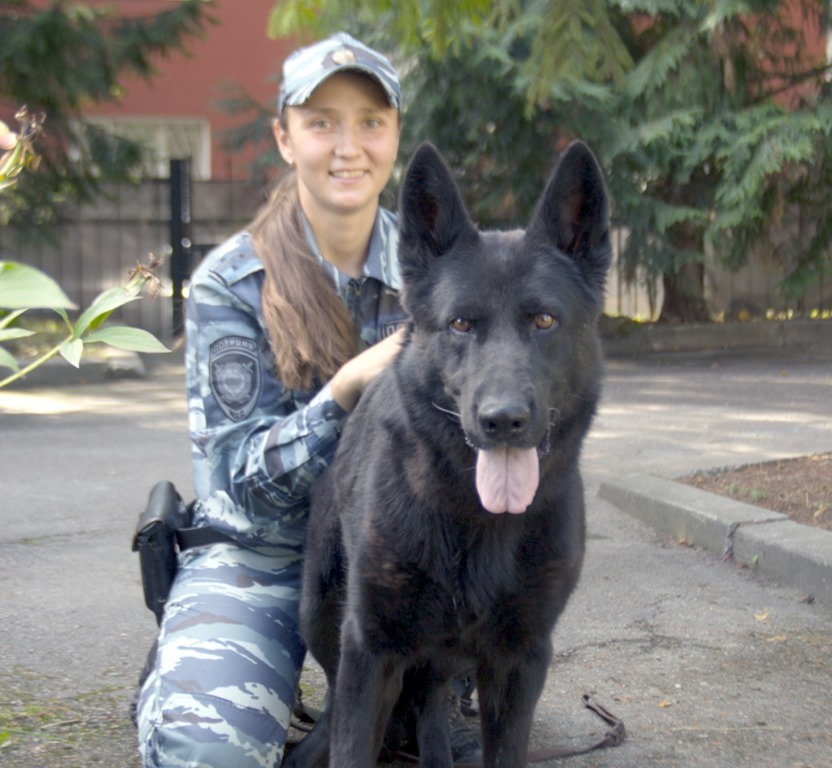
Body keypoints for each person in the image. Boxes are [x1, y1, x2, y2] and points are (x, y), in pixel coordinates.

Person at [135, 32, 479, 768]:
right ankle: (190, 665)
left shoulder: (448, 275)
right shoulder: (233, 284)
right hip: (263, 557)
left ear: (394, 137)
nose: (347, 145)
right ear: (284, 138)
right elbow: (236, 488)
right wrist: (343, 394)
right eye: (322, 121)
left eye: (370, 121)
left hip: (398, 557)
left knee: (428, 744)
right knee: (208, 754)